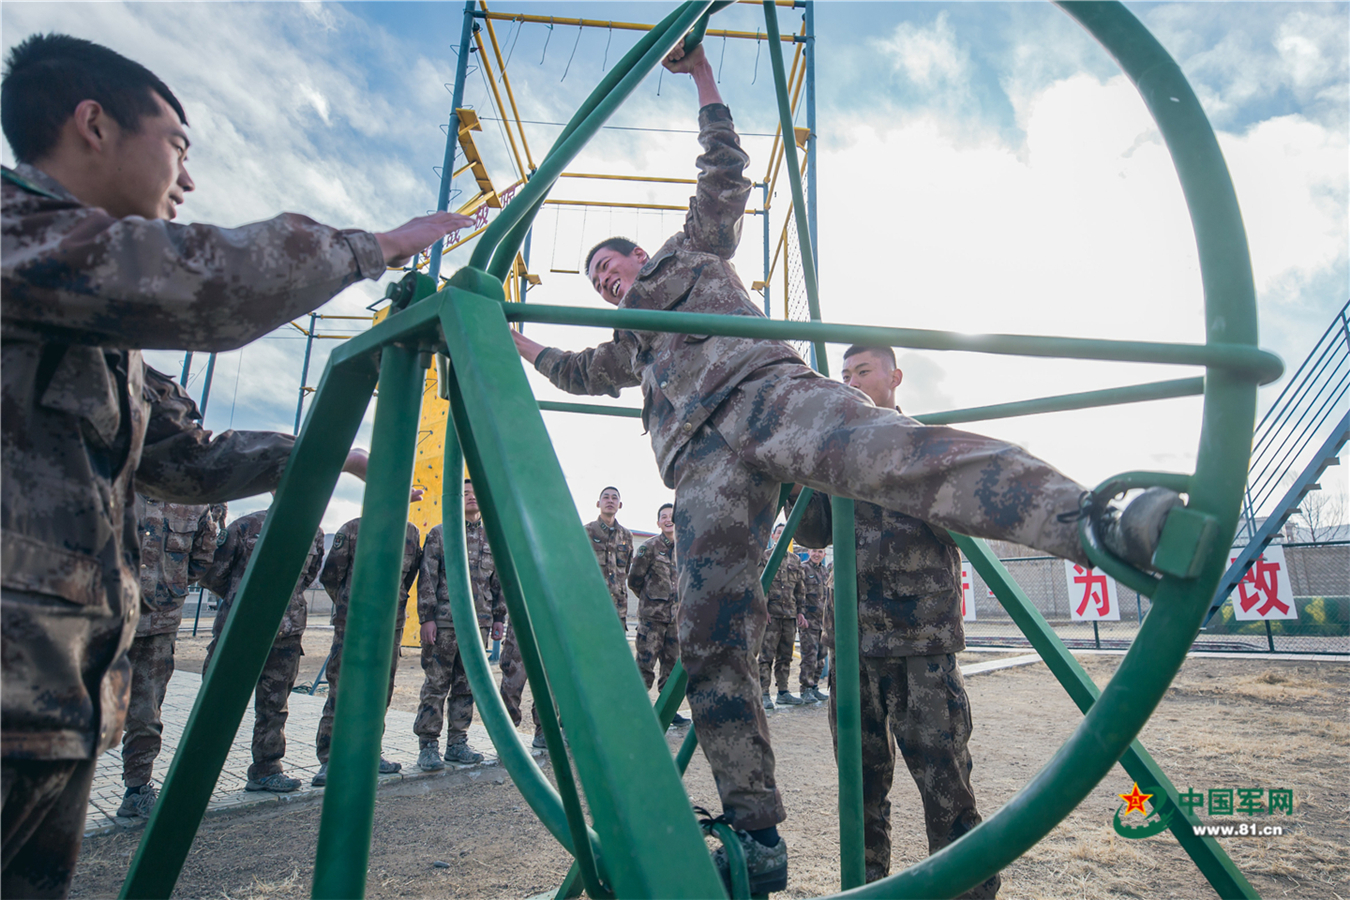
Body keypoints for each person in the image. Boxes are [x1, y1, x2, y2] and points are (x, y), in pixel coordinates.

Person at [510, 40, 1182, 895]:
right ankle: (755, 831)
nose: (607, 281)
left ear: (642, 258)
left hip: (767, 396)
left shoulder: (692, 256)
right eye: (598, 280)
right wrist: (516, 335)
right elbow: (573, 370)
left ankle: (1095, 521)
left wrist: (705, 77)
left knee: (895, 455)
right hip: (702, 465)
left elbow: (724, 170)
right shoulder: (629, 350)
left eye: (612, 266)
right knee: (708, 629)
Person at [0, 34, 469, 895]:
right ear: (93, 124)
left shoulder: (76, 310)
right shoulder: (21, 240)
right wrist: (378, 245)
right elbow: (204, 286)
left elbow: (186, 459)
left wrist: (338, 455)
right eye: (178, 146)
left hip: (46, 698)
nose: (187, 178)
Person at [792, 346, 1004, 894]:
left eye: (862, 371)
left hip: (919, 643)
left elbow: (966, 525)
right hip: (853, 644)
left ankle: (969, 891)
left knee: (945, 784)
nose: (852, 382)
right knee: (859, 789)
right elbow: (812, 531)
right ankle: (866, 888)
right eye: (844, 376)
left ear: (894, 376)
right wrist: (797, 471)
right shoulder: (837, 459)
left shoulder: (924, 449)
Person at [199, 507, 324, 793]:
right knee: (217, 704)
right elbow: (214, 575)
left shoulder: (314, 531)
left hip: (286, 633)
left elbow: (307, 577)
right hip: (239, 630)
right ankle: (198, 773)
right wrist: (243, 597)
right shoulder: (244, 527)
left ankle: (266, 770)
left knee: (274, 707)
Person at [117, 495, 220, 819]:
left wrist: (168, 588)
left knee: (146, 713)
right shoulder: (112, 482)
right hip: (102, 620)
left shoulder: (194, 504)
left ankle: (137, 790)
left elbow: (201, 560)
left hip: (158, 624)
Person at [312, 517, 423, 786]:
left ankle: (370, 754)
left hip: (390, 624)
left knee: (380, 690)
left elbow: (407, 577)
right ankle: (330, 759)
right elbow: (331, 576)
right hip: (353, 622)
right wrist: (350, 603)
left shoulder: (410, 532)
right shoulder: (352, 529)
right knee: (342, 689)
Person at [415, 480, 504, 768]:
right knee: (436, 684)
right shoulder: (441, 534)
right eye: (465, 493)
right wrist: (426, 618)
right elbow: (427, 578)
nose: (471, 497)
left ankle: (457, 743)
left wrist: (499, 618)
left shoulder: (492, 538)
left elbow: (498, 582)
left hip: (478, 624)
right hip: (443, 623)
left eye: (476, 493)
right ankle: (428, 746)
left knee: (467, 686)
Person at [627, 502, 687, 724]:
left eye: (672, 516)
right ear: (658, 522)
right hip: (652, 619)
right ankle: (637, 712)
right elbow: (634, 580)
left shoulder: (685, 549)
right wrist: (651, 600)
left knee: (671, 668)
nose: (668, 519)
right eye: (664, 516)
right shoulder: (649, 547)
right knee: (645, 664)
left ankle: (668, 711)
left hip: (675, 620)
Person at [758, 523, 809, 709]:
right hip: (770, 615)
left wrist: (801, 611)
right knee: (766, 655)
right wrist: (762, 609)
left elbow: (800, 589)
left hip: (789, 615)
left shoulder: (795, 560)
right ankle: (763, 693)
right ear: (773, 535)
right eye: (779, 532)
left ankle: (783, 692)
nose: (782, 535)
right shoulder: (764, 557)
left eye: (786, 533)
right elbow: (759, 584)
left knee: (785, 655)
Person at [586, 486, 634, 629]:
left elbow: (626, 570)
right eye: (606, 497)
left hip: (618, 610)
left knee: (617, 650)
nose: (610, 501)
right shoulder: (586, 532)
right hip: (592, 607)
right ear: (598, 503)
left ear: (620, 505)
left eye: (614, 498)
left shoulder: (626, 536)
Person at [798, 547, 830, 702]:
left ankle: (815, 686)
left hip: (822, 621)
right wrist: (800, 614)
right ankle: (806, 689)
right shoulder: (803, 568)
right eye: (814, 551)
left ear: (824, 554)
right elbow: (798, 593)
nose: (817, 554)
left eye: (820, 551)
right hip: (808, 621)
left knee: (821, 656)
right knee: (809, 655)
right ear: (809, 552)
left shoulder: (825, 571)